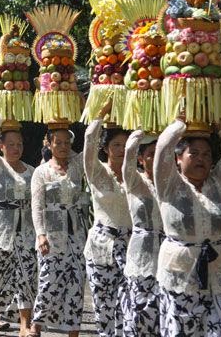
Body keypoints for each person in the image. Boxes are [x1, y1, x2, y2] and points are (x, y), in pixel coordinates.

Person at [153, 94, 221, 336]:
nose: (201, 159)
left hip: (220, 275)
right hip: (180, 277)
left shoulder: (220, 182)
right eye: (194, 153)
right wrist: (179, 124)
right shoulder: (169, 184)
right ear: (178, 159)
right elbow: (161, 151)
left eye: (207, 154)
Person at [29, 127, 86, 337]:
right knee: (48, 281)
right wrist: (41, 234)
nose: (63, 147)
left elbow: (89, 145)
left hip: (76, 233)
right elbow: (36, 206)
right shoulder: (41, 172)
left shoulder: (77, 166)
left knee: (77, 282)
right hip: (52, 234)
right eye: (58, 142)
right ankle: (37, 324)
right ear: (49, 144)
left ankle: (73, 330)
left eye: (67, 143)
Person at [0, 114, 36, 337]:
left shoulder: (32, 171)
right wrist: (1, 113)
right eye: (11, 144)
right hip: (1, 230)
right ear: (1, 146)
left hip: (26, 230)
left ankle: (25, 323)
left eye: (19, 144)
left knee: (27, 275)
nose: (16, 148)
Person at [83, 102, 132, 337]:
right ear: (106, 148)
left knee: (130, 305)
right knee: (104, 306)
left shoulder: (139, 177)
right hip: (101, 246)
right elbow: (88, 143)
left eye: (126, 145)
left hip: (133, 248)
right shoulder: (98, 173)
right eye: (116, 145)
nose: (122, 149)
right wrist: (99, 115)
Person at [120, 130, 162, 335]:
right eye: (151, 154)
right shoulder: (134, 182)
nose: (156, 159)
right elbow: (128, 151)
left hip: (168, 258)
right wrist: (144, 127)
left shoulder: (175, 184)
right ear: (140, 158)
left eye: (161, 153)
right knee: (139, 314)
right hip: (141, 258)